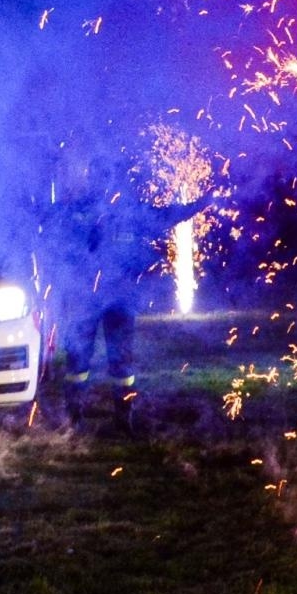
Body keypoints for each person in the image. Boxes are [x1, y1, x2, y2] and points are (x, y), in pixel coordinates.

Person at [48, 155, 212, 435]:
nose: (107, 183)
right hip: (85, 299)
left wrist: (202, 203)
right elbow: (57, 237)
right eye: (102, 177)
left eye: (110, 177)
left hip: (121, 300)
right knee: (78, 360)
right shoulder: (78, 211)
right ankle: (73, 420)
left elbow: (167, 216)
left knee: (122, 362)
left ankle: (124, 419)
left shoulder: (131, 212)